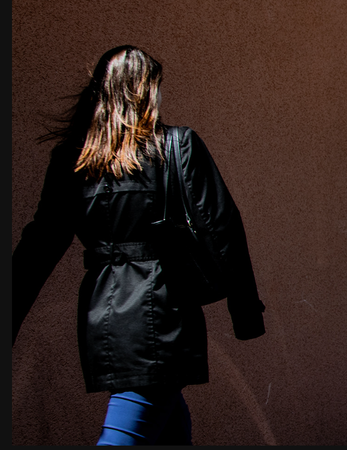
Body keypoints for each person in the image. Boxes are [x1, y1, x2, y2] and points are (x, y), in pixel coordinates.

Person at [12, 45, 266, 445]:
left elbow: (39, 246)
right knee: (126, 431)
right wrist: (246, 312)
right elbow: (224, 230)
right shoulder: (176, 146)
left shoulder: (72, 160)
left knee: (168, 426)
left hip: (103, 311)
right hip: (164, 309)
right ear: (146, 91)